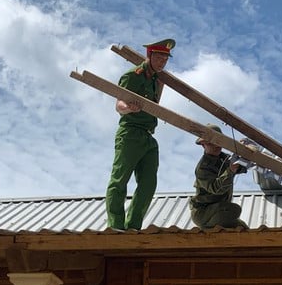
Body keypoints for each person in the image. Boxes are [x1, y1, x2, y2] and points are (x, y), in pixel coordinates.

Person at [105, 38, 176, 230]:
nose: (163, 62)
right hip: (130, 132)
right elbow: (118, 104)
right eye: (160, 57)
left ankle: (133, 225)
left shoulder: (157, 80)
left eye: (166, 58)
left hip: (148, 136)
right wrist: (128, 108)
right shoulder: (133, 75)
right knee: (120, 180)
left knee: (148, 184)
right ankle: (116, 225)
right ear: (149, 55)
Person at [189, 124, 249, 229]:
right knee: (234, 210)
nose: (216, 146)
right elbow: (217, 189)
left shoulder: (224, 158)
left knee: (243, 228)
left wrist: (243, 151)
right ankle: (207, 228)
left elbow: (242, 167)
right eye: (211, 143)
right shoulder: (202, 168)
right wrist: (230, 170)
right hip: (204, 213)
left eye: (218, 142)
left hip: (219, 210)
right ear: (203, 145)